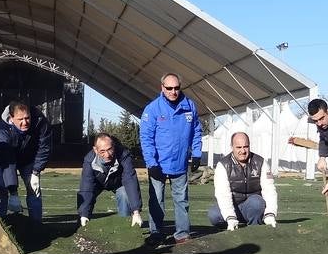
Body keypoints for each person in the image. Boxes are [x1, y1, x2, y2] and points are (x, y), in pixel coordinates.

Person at [139, 73, 203, 242]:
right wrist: (151, 163)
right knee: (156, 200)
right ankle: (156, 232)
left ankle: (182, 233)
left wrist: (196, 153)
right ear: (162, 88)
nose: (173, 91)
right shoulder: (152, 109)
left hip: (180, 163)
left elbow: (197, 131)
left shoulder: (190, 106)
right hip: (158, 165)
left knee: (181, 200)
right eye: (169, 88)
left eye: (176, 88)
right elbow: (146, 138)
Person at [0, 101, 51, 221]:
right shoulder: (2, 129)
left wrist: (36, 171)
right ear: (11, 118)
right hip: (5, 159)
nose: (25, 122)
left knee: (34, 189)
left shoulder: (40, 121)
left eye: (27, 118)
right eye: (20, 119)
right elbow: (7, 158)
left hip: (29, 159)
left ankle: (36, 225)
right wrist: (13, 191)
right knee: (0, 189)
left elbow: (44, 147)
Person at [207, 131, 278, 230]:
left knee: (257, 203)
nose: (243, 151)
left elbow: (269, 189)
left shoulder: (261, 163)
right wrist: (230, 216)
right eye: (239, 147)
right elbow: (223, 193)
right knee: (214, 215)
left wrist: (270, 213)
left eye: (246, 146)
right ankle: (231, 224)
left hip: (252, 207)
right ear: (232, 147)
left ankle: (254, 227)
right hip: (234, 206)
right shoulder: (223, 165)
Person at [77, 133, 143, 228]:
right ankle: (82, 223)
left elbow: (130, 180)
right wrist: (83, 214)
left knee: (124, 194)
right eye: (102, 151)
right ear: (95, 150)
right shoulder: (89, 160)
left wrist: (136, 211)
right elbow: (86, 186)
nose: (107, 155)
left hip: (118, 182)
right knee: (86, 199)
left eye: (109, 149)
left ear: (114, 146)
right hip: (98, 183)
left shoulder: (124, 155)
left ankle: (125, 224)